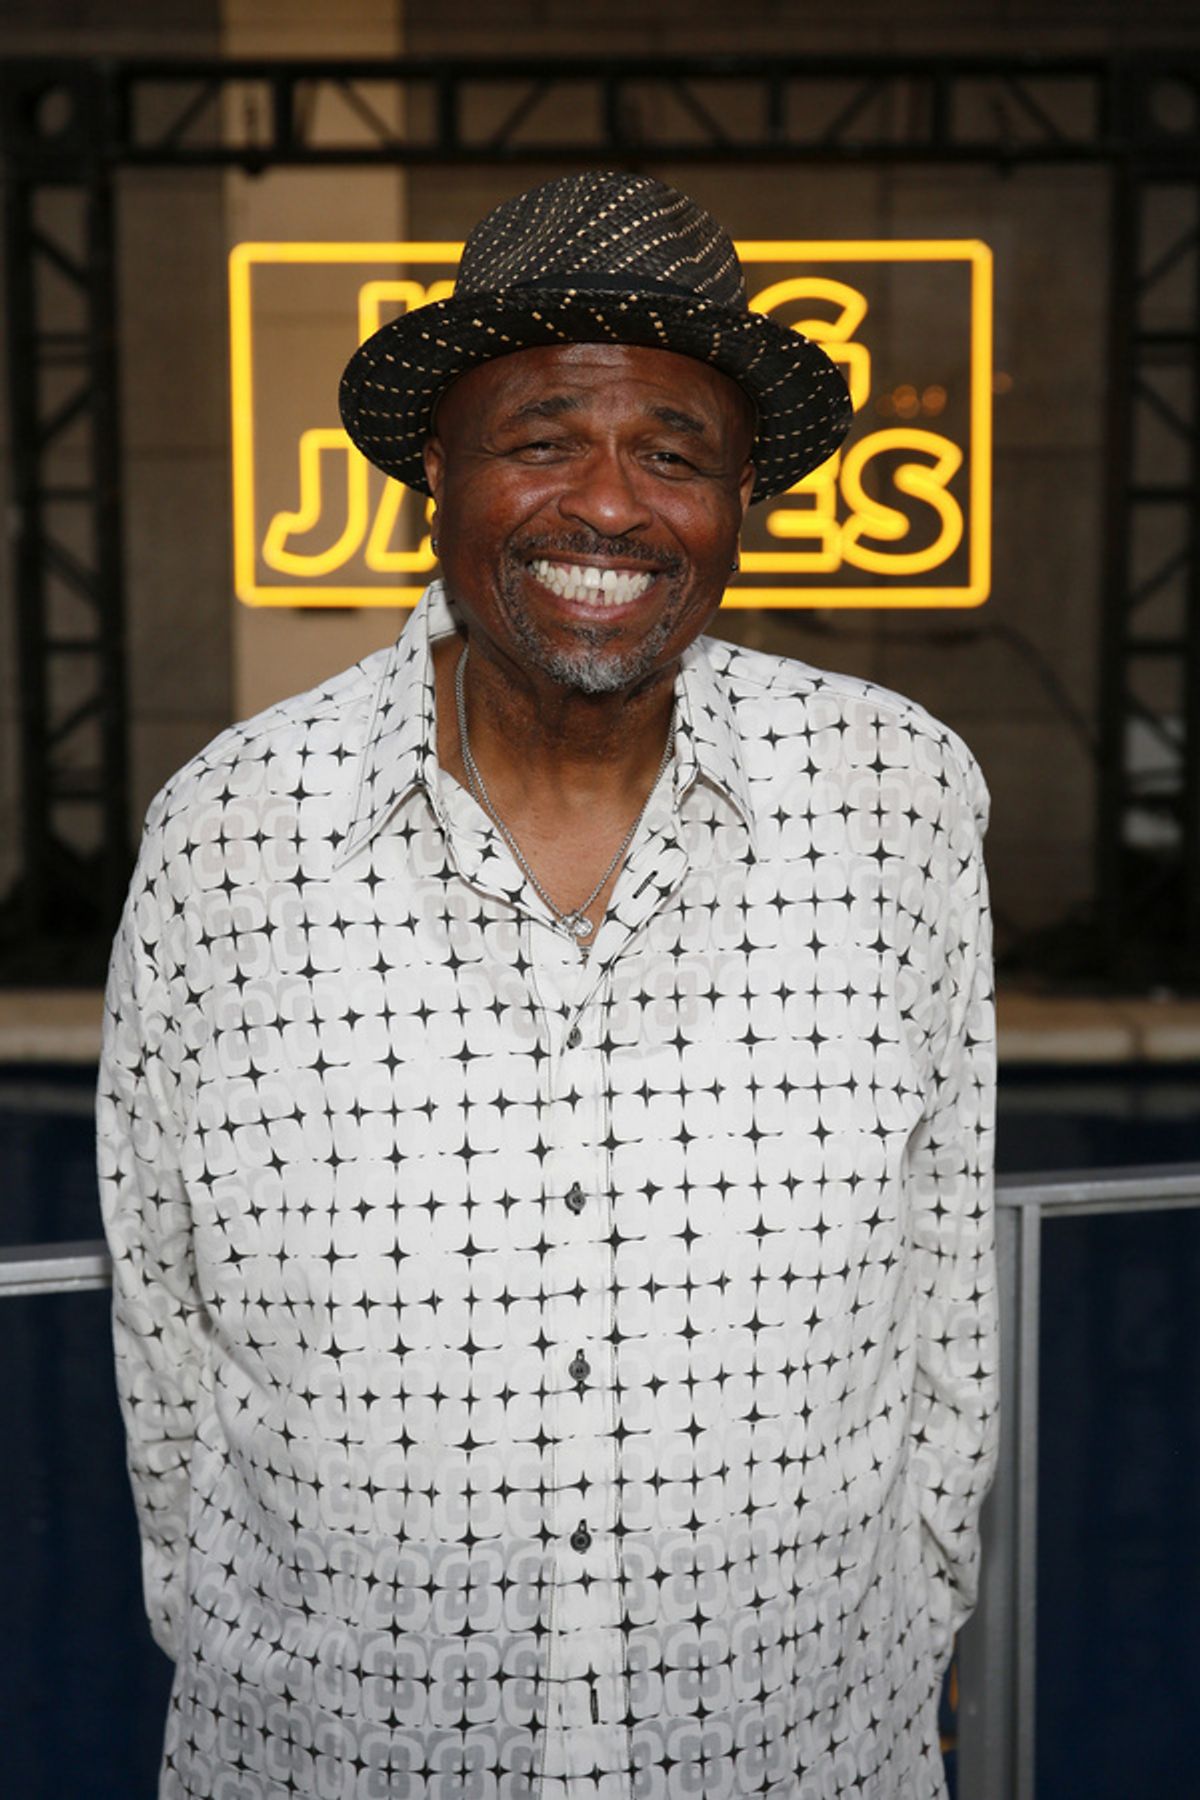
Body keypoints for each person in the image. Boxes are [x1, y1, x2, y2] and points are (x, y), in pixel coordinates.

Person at [100, 170, 997, 1800]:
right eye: (541, 442)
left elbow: (947, 1288)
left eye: (674, 454)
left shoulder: (903, 802)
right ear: (433, 475)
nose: (611, 505)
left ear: (739, 506)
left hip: (797, 1756)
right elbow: (166, 1338)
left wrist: (905, 1635)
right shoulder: (226, 837)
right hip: (340, 1760)